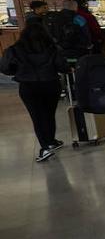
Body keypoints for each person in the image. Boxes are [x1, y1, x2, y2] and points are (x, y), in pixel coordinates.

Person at [0, 21, 69, 162]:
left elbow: (5, 68)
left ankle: (45, 147)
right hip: (50, 83)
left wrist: (17, 71)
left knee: (37, 117)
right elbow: (62, 66)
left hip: (28, 86)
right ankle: (51, 141)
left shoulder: (15, 49)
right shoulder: (52, 48)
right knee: (49, 113)